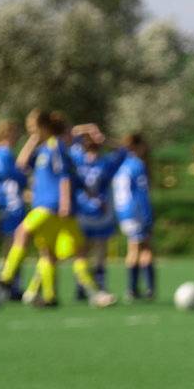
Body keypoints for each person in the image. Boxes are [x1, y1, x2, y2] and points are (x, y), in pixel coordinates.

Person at [0, 111, 115, 308]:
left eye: (33, 128)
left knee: (23, 232)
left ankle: (7, 277)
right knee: (51, 252)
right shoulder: (44, 149)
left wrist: (65, 203)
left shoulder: (56, 147)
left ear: (44, 127)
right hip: (46, 206)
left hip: (51, 206)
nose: (30, 132)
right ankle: (51, 296)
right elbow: (21, 164)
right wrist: (34, 139)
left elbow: (65, 177)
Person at [69, 124, 122, 297]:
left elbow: (122, 150)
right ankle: (82, 285)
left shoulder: (105, 162)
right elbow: (68, 136)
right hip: (82, 212)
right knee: (82, 250)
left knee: (100, 250)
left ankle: (99, 284)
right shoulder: (77, 158)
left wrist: (104, 139)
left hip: (101, 214)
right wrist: (86, 129)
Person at [0, 121, 29, 299]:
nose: (18, 137)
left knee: (11, 242)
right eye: (16, 133)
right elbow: (10, 175)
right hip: (11, 203)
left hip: (6, 202)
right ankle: (10, 284)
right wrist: (23, 175)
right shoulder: (4, 153)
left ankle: (7, 281)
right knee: (17, 242)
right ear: (8, 134)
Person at [112, 134, 156, 301]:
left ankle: (133, 289)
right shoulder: (137, 165)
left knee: (134, 248)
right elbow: (141, 193)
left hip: (123, 212)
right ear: (138, 146)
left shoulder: (122, 164)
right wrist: (145, 215)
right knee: (144, 248)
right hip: (137, 211)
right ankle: (146, 289)